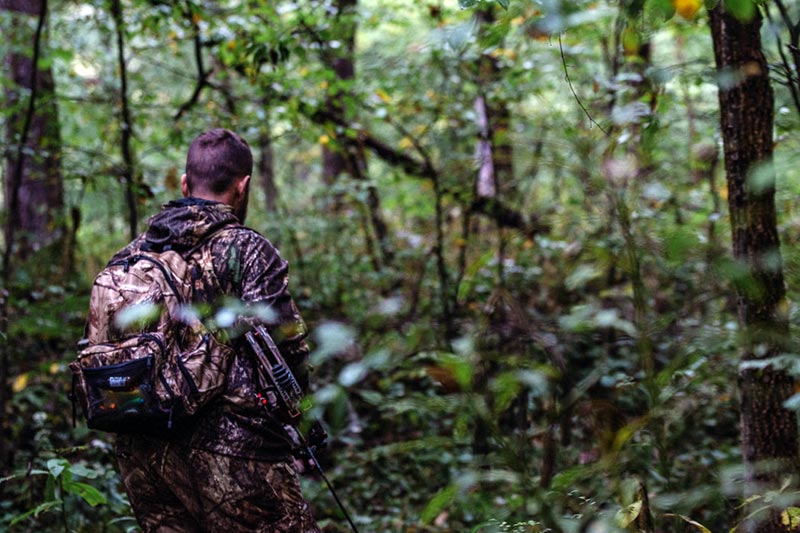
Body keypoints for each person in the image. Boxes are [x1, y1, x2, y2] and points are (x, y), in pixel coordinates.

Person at [96, 128, 320, 532]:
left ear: (185, 184)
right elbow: (289, 350)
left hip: (144, 455)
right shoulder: (247, 249)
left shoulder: (131, 254)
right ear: (243, 186)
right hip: (237, 456)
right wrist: (303, 423)